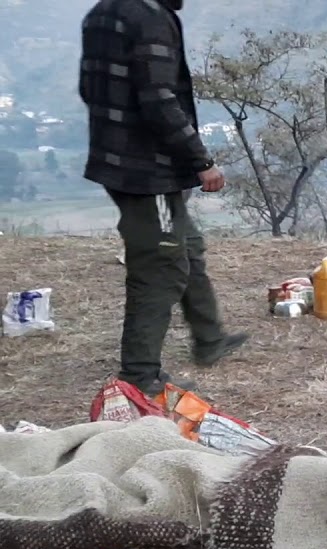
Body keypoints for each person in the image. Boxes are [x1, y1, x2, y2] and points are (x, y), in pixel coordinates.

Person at [80, 0, 247, 396]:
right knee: (159, 265)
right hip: (145, 171)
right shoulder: (149, 18)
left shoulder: (103, 11)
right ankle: (139, 374)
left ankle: (210, 338)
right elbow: (158, 100)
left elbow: (90, 88)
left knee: (186, 243)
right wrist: (200, 160)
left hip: (119, 158)